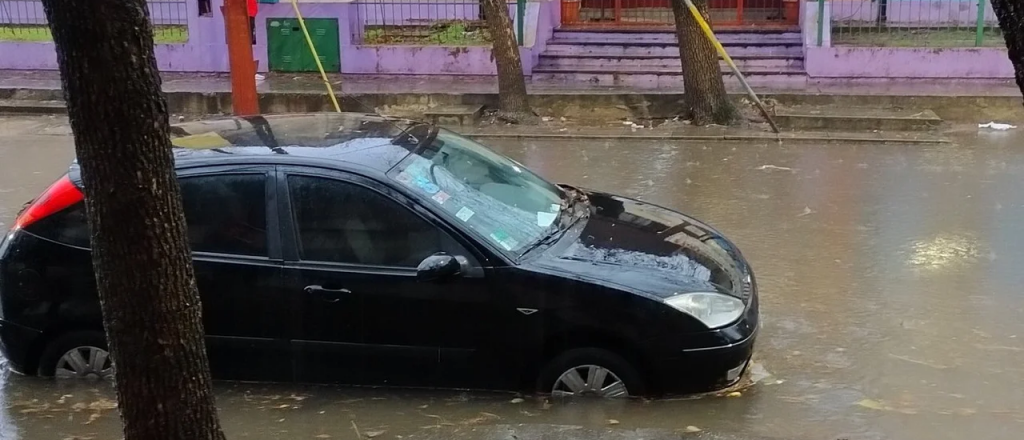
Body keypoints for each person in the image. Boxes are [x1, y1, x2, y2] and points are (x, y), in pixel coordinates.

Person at [248, 0, 265, 82]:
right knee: (247, 42)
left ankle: (249, 71)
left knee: (249, 42)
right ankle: (248, 71)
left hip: (250, 13)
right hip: (246, 13)